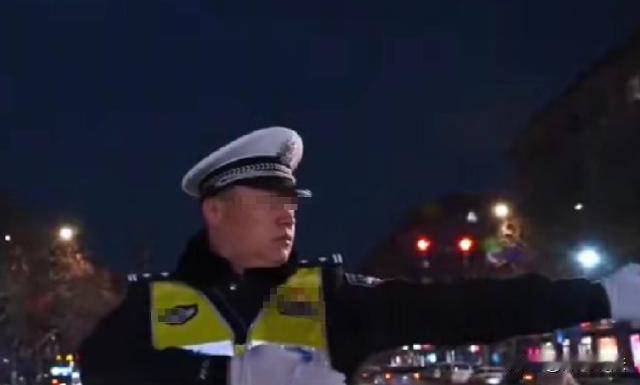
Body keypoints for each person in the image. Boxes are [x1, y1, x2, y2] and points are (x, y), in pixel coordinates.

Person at [79, 126, 640, 385]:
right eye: (267, 203)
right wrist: (221, 373)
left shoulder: (330, 297)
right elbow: (101, 368)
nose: (287, 216)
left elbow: (464, 307)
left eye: (290, 204)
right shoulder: (152, 304)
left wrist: (599, 295)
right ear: (215, 211)